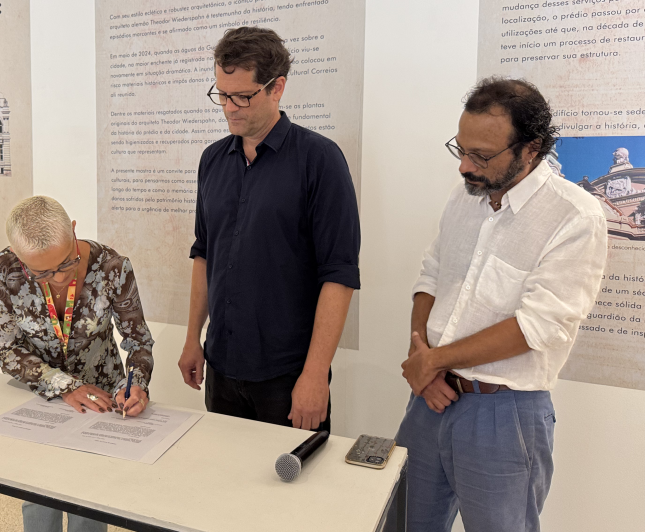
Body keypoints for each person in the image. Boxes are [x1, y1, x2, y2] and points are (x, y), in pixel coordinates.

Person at [394, 78, 607, 531]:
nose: (464, 167)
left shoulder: (574, 216)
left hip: (503, 416)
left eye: (482, 156)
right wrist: (421, 356)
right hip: (429, 398)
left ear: (530, 149)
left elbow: (535, 327)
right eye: (461, 150)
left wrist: (432, 361)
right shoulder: (465, 197)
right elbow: (430, 276)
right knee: (403, 524)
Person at [177, 26, 360, 431]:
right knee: (225, 485)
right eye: (222, 94)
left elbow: (340, 275)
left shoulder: (320, 161)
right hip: (222, 365)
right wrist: (194, 337)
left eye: (243, 96)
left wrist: (315, 376)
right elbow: (204, 251)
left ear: (277, 88)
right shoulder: (212, 160)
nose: (229, 107)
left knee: (292, 489)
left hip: (287, 375)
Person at [0, 195, 154, 532]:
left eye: (66, 263)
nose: (60, 278)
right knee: (38, 493)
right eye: (42, 272)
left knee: (90, 500)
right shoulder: (5, 269)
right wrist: (66, 386)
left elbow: (137, 341)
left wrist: (136, 384)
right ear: (18, 257)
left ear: (74, 231)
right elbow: (6, 349)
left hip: (103, 400)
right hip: (42, 397)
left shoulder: (112, 267)